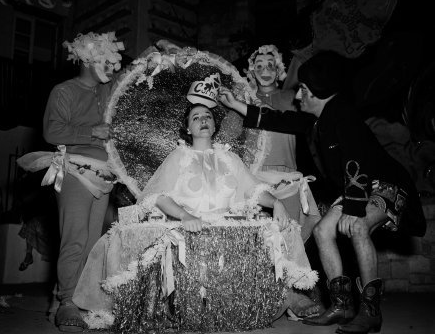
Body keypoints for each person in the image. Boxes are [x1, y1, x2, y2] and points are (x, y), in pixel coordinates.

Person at [219, 50, 426, 334]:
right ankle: (342, 306)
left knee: (358, 228)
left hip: (384, 185)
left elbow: (357, 160)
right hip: (360, 186)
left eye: (303, 89)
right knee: (321, 231)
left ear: (317, 92)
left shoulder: (343, 115)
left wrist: (353, 210)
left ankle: (370, 311)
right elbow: (282, 120)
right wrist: (238, 106)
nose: (298, 95)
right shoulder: (319, 118)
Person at [72, 101, 320, 328]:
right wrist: (184, 216)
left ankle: (288, 294)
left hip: (226, 225)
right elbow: (157, 196)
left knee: (279, 230)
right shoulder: (179, 157)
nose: (203, 120)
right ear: (188, 129)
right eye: (196, 117)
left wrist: (276, 202)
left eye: (208, 116)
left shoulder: (230, 158)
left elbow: (253, 190)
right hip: (188, 225)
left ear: (214, 125)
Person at [22, 31, 124, 332]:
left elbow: (134, 78)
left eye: (114, 62)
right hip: (75, 172)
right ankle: (68, 302)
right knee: (75, 239)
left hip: (104, 176)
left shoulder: (108, 93)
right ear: (88, 59)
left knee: (92, 243)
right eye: (106, 61)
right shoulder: (64, 91)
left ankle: (65, 294)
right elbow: (52, 132)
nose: (113, 68)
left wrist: (159, 53)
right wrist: (93, 132)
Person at [243, 44, 320, 242]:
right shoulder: (244, 100)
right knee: (256, 242)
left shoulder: (294, 99)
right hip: (254, 178)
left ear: (279, 70)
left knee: (291, 241)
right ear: (252, 71)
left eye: (270, 65)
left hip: (287, 178)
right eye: (259, 66)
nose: (265, 71)